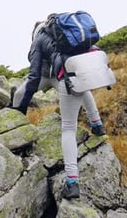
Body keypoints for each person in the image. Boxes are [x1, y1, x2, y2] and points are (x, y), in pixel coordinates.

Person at [12, 17, 106, 200]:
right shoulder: (65, 35)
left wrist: (21, 109)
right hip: (79, 74)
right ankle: (98, 125)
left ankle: (72, 182)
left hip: (64, 79)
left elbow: (32, 77)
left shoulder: (39, 39)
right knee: (83, 89)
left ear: (34, 33)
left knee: (68, 129)